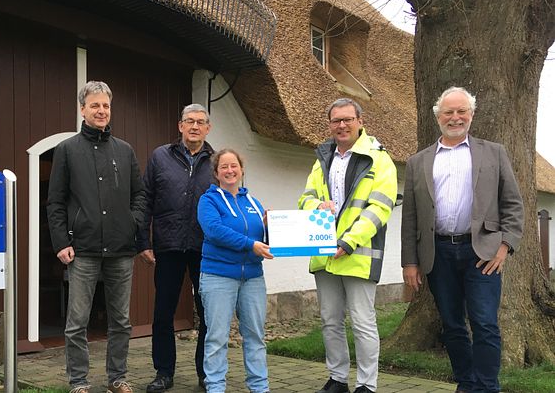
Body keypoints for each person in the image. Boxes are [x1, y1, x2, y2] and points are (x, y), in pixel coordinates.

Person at [401, 87, 523, 393]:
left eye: (461, 111)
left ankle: (487, 386)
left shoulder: (493, 153)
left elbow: (513, 204)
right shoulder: (418, 161)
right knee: (452, 326)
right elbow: (411, 217)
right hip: (437, 253)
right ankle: (467, 384)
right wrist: (410, 262)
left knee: (484, 323)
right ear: (437, 116)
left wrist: (504, 246)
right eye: (448, 112)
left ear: (471, 114)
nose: (455, 118)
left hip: (481, 252)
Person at [46, 81, 145, 393]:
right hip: (83, 250)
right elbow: (56, 202)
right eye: (95, 105)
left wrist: (133, 223)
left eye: (106, 106)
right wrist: (61, 241)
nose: (101, 111)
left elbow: (140, 196)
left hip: (120, 249)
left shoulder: (125, 150)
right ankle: (78, 382)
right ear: (82, 109)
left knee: (121, 322)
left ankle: (118, 378)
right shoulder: (67, 150)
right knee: (77, 322)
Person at [297, 98, 397, 393]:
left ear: (360, 122)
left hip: (358, 254)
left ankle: (367, 384)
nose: (342, 125)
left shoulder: (379, 159)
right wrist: (318, 205)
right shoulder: (322, 159)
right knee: (330, 321)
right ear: (330, 125)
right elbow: (304, 199)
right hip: (324, 252)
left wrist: (349, 241)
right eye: (336, 121)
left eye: (347, 119)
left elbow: (380, 208)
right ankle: (337, 379)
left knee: (363, 322)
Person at [139, 104, 214, 392]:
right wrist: (143, 241)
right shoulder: (160, 156)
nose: (194, 126)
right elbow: (145, 199)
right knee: (163, 313)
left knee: (207, 312)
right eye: (189, 121)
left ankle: (206, 372)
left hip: (205, 248)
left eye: (200, 122)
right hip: (168, 246)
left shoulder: (217, 160)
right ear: (180, 126)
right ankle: (164, 372)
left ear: (208, 128)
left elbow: (230, 200)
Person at [197, 148, 273, 393]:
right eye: (224, 167)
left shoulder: (253, 202)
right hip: (218, 277)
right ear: (216, 173)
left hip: (252, 278)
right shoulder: (208, 200)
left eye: (234, 166)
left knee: (255, 336)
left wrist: (270, 226)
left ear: (241, 170)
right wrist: (250, 244)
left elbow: (264, 238)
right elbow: (214, 230)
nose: (230, 171)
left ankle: (260, 387)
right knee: (217, 338)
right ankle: (216, 388)